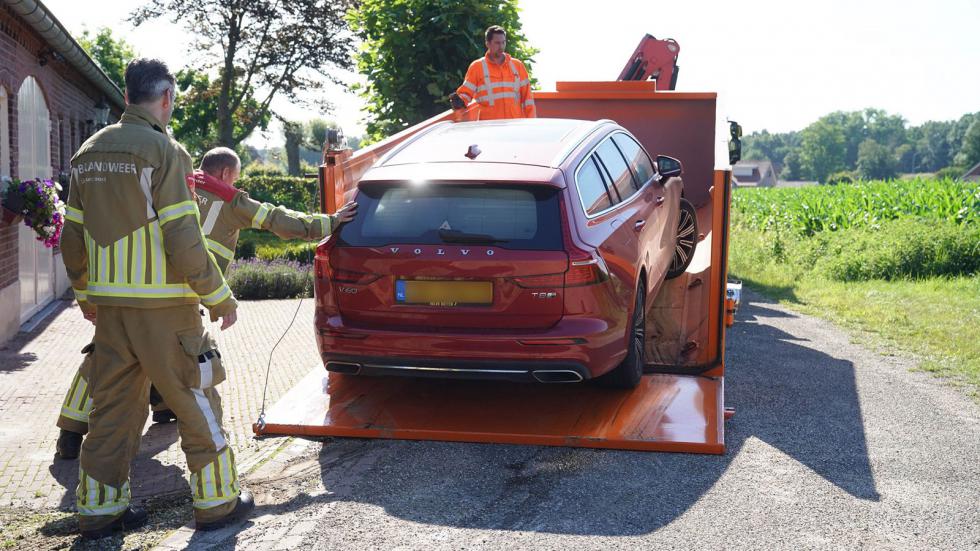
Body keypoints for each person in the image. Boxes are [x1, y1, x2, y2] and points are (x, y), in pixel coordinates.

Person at [54, 148, 357, 461]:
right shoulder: (230, 200)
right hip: (187, 296)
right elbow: (282, 221)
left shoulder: (168, 184)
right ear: (226, 174)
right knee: (185, 361)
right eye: (236, 177)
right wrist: (331, 222)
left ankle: (72, 432)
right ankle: (196, 444)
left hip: (139, 288)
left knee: (102, 358)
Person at [60, 58, 247, 539]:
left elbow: (72, 239)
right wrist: (219, 295)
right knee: (194, 397)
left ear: (127, 96)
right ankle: (217, 502)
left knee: (113, 410)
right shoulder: (166, 151)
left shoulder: (86, 153)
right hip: (167, 311)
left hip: (112, 312)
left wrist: (84, 293)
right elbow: (183, 236)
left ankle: (100, 510)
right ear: (165, 98)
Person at [450, 25, 536, 120]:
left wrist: (531, 123)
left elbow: (528, 99)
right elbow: (466, 92)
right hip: (489, 127)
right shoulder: (477, 67)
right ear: (488, 43)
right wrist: (460, 101)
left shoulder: (518, 66)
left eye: (503, 42)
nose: (501, 47)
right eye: (497, 43)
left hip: (514, 124)